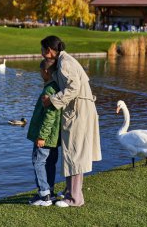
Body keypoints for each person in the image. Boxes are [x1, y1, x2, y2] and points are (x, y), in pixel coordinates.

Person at [41, 35, 102, 207]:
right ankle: (70, 192)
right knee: (72, 151)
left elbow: (73, 88)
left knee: (75, 152)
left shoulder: (65, 63)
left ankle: (75, 198)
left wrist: (52, 100)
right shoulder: (64, 61)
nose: (41, 54)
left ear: (49, 50)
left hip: (78, 112)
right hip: (79, 110)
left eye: (42, 50)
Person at [27, 58, 61, 206]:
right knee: (50, 163)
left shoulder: (49, 90)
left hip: (46, 136)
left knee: (38, 162)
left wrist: (41, 136)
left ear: (46, 71)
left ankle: (44, 195)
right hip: (54, 137)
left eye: (41, 71)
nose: (40, 74)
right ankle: (50, 192)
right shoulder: (57, 87)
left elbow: (49, 116)